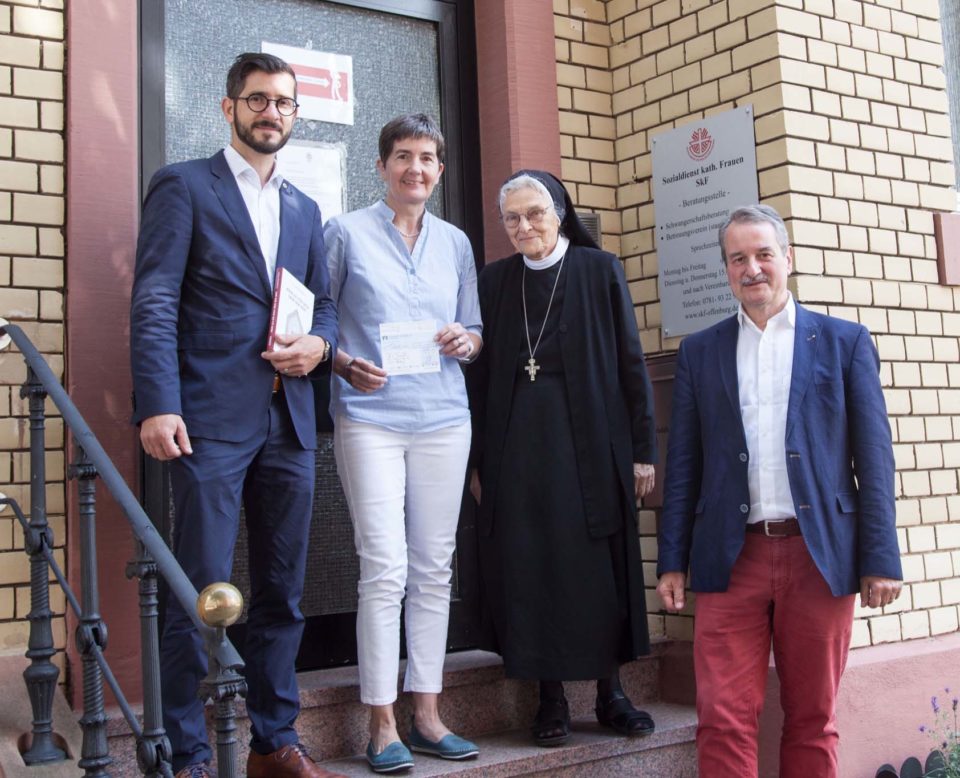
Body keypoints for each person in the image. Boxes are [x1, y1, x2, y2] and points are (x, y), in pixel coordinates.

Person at [130, 52, 343, 778]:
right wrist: (158, 403)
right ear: (229, 108)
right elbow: (155, 299)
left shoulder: (304, 208)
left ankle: (274, 740)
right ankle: (184, 752)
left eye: (283, 102)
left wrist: (320, 345)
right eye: (257, 100)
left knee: (283, 592)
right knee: (201, 589)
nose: (271, 113)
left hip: (290, 423)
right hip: (209, 420)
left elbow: (325, 306)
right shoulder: (185, 185)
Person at [656, 204, 903, 777]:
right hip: (730, 556)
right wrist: (672, 559)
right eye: (737, 258)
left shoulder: (844, 342)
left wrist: (880, 557)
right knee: (722, 718)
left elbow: (874, 458)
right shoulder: (701, 351)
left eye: (763, 254)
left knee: (814, 718)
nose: (752, 268)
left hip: (819, 555)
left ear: (787, 258)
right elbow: (684, 463)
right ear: (726, 269)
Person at [466, 169, 658, 747]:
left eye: (535, 214)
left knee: (595, 566)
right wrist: (477, 462)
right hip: (517, 449)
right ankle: (548, 699)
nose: (524, 226)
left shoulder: (599, 269)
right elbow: (479, 377)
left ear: (559, 212)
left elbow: (630, 363)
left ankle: (610, 693)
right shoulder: (496, 281)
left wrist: (643, 451)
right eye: (512, 218)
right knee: (530, 566)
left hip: (591, 444)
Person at [324, 113, 482, 774]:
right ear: (382, 165)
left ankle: (427, 714)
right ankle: (381, 722)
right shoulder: (344, 233)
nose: (415, 168)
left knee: (434, 568)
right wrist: (340, 362)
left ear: (439, 170)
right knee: (384, 567)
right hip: (371, 418)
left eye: (426, 158)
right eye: (403, 156)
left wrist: (465, 340)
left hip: (444, 417)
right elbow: (318, 318)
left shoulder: (455, 243)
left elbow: (474, 329)